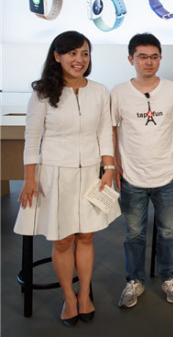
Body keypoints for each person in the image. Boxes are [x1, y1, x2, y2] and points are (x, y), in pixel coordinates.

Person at [14, 31, 120, 326]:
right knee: (62, 241)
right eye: (72, 53)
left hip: (90, 174)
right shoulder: (42, 93)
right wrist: (30, 178)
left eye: (84, 53)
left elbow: (103, 132)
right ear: (57, 56)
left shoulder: (99, 90)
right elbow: (33, 137)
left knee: (86, 235)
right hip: (55, 173)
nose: (79, 59)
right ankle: (68, 297)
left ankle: (84, 294)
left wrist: (109, 168)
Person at [111, 33, 173, 308]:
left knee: (167, 232)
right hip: (132, 176)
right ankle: (134, 280)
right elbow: (112, 128)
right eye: (142, 56)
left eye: (154, 56)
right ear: (131, 59)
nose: (149, 62)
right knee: (134, 234)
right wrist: (114, 164)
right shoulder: (119, 92)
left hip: (166, 173)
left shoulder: (172, 89)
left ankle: (169, 277)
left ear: (160, 58)